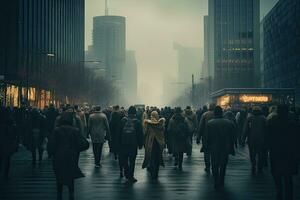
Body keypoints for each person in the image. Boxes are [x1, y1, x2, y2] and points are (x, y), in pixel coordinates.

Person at [48, 112, 89, 200]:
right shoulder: (75, 130)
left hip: (58, 156)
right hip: (71, 156)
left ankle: (59, 195)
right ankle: (71, 194)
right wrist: (77, 149)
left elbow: (51, 144)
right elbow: (83, 144)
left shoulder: (56, 130)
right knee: (70, 176)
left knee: (59, 176)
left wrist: (50, 153)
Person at [266, 105, 298, 200]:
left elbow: (268, 138)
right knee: (288, 177)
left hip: (275, 152)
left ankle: (279, 191)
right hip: (289, 153)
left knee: (276, 174)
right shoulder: (293, 124)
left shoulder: (271, 122)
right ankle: (289, 195)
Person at [205, 106, 235, 189]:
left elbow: (206, 137)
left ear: (215, 113)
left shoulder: (209, 123)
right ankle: (221, 180)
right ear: (222, 112)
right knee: (223, 164)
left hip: (214, 146)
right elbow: (233, 136)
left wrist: (206, 147)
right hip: (225, 146)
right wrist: (232, 146)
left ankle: (216, 181)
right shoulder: (229, 123)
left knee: (214, 164)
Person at [118, 106, 144, 183]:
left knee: (125, 159)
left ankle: (126, 172)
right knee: (132, 161)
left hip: (123, 144)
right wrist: (140, 144)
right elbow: (140, 135)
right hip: (133, 144)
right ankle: (131, 176)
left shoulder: (123, 120)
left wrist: (118, 143)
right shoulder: (137, 122)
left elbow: (118, 133)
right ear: (135, 113)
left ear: (128, 112)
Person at [243, 106, 267, 174]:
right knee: (260, 154)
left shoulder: (249, 118)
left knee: (252, 154)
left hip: (251, 139)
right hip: (261, 139)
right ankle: (260, 167)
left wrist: (243, 138)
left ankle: (253, 165)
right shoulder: (263, 118)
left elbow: (245, 130)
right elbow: (267, 130)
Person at [142, 111, 165, 179]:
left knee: (151, 158)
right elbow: (163, 132)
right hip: (158, 143)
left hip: (150, 143)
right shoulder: (160, 124)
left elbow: (144, 133)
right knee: (158, 158)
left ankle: (152, 172)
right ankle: (156, 172)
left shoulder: (148, 123)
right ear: (157, 116)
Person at [197, 103, 216, 173]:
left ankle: (207, 166)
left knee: (207, 152)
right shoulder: (218, 114)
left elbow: (201, 126)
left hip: (206, 136)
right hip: (216, 137)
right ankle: (214, 165)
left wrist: (198, 137)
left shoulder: (205, 114)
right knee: (215, 152)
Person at [0, 107, 17, 179]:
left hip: (3, 140)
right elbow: (13, 133)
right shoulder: (10, 120)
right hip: (7, 141)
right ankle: (5, 173)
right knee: (7, 157)